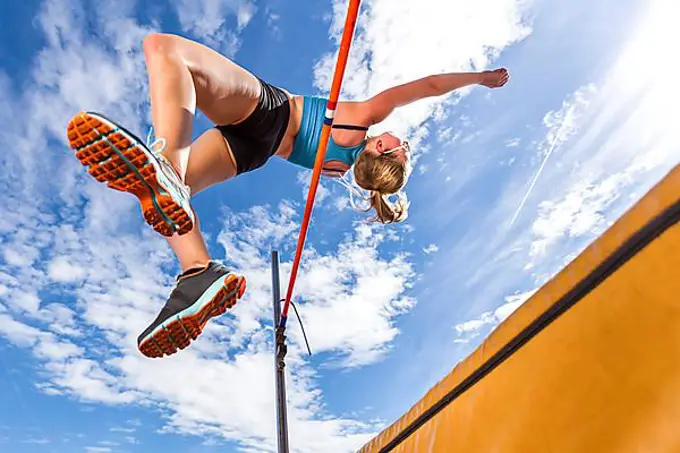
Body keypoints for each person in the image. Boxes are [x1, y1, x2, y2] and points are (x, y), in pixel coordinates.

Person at [66, 33, 509, 359]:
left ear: (380, 148)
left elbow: (428, 86)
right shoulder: (337, 168)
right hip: (252, 150)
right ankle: (197, 270)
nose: (403, 141)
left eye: (403, 149)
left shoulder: (360, 122)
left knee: (164, 50)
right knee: (161, 193)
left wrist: (481, 77)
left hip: (269, 112)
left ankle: (165, 162)